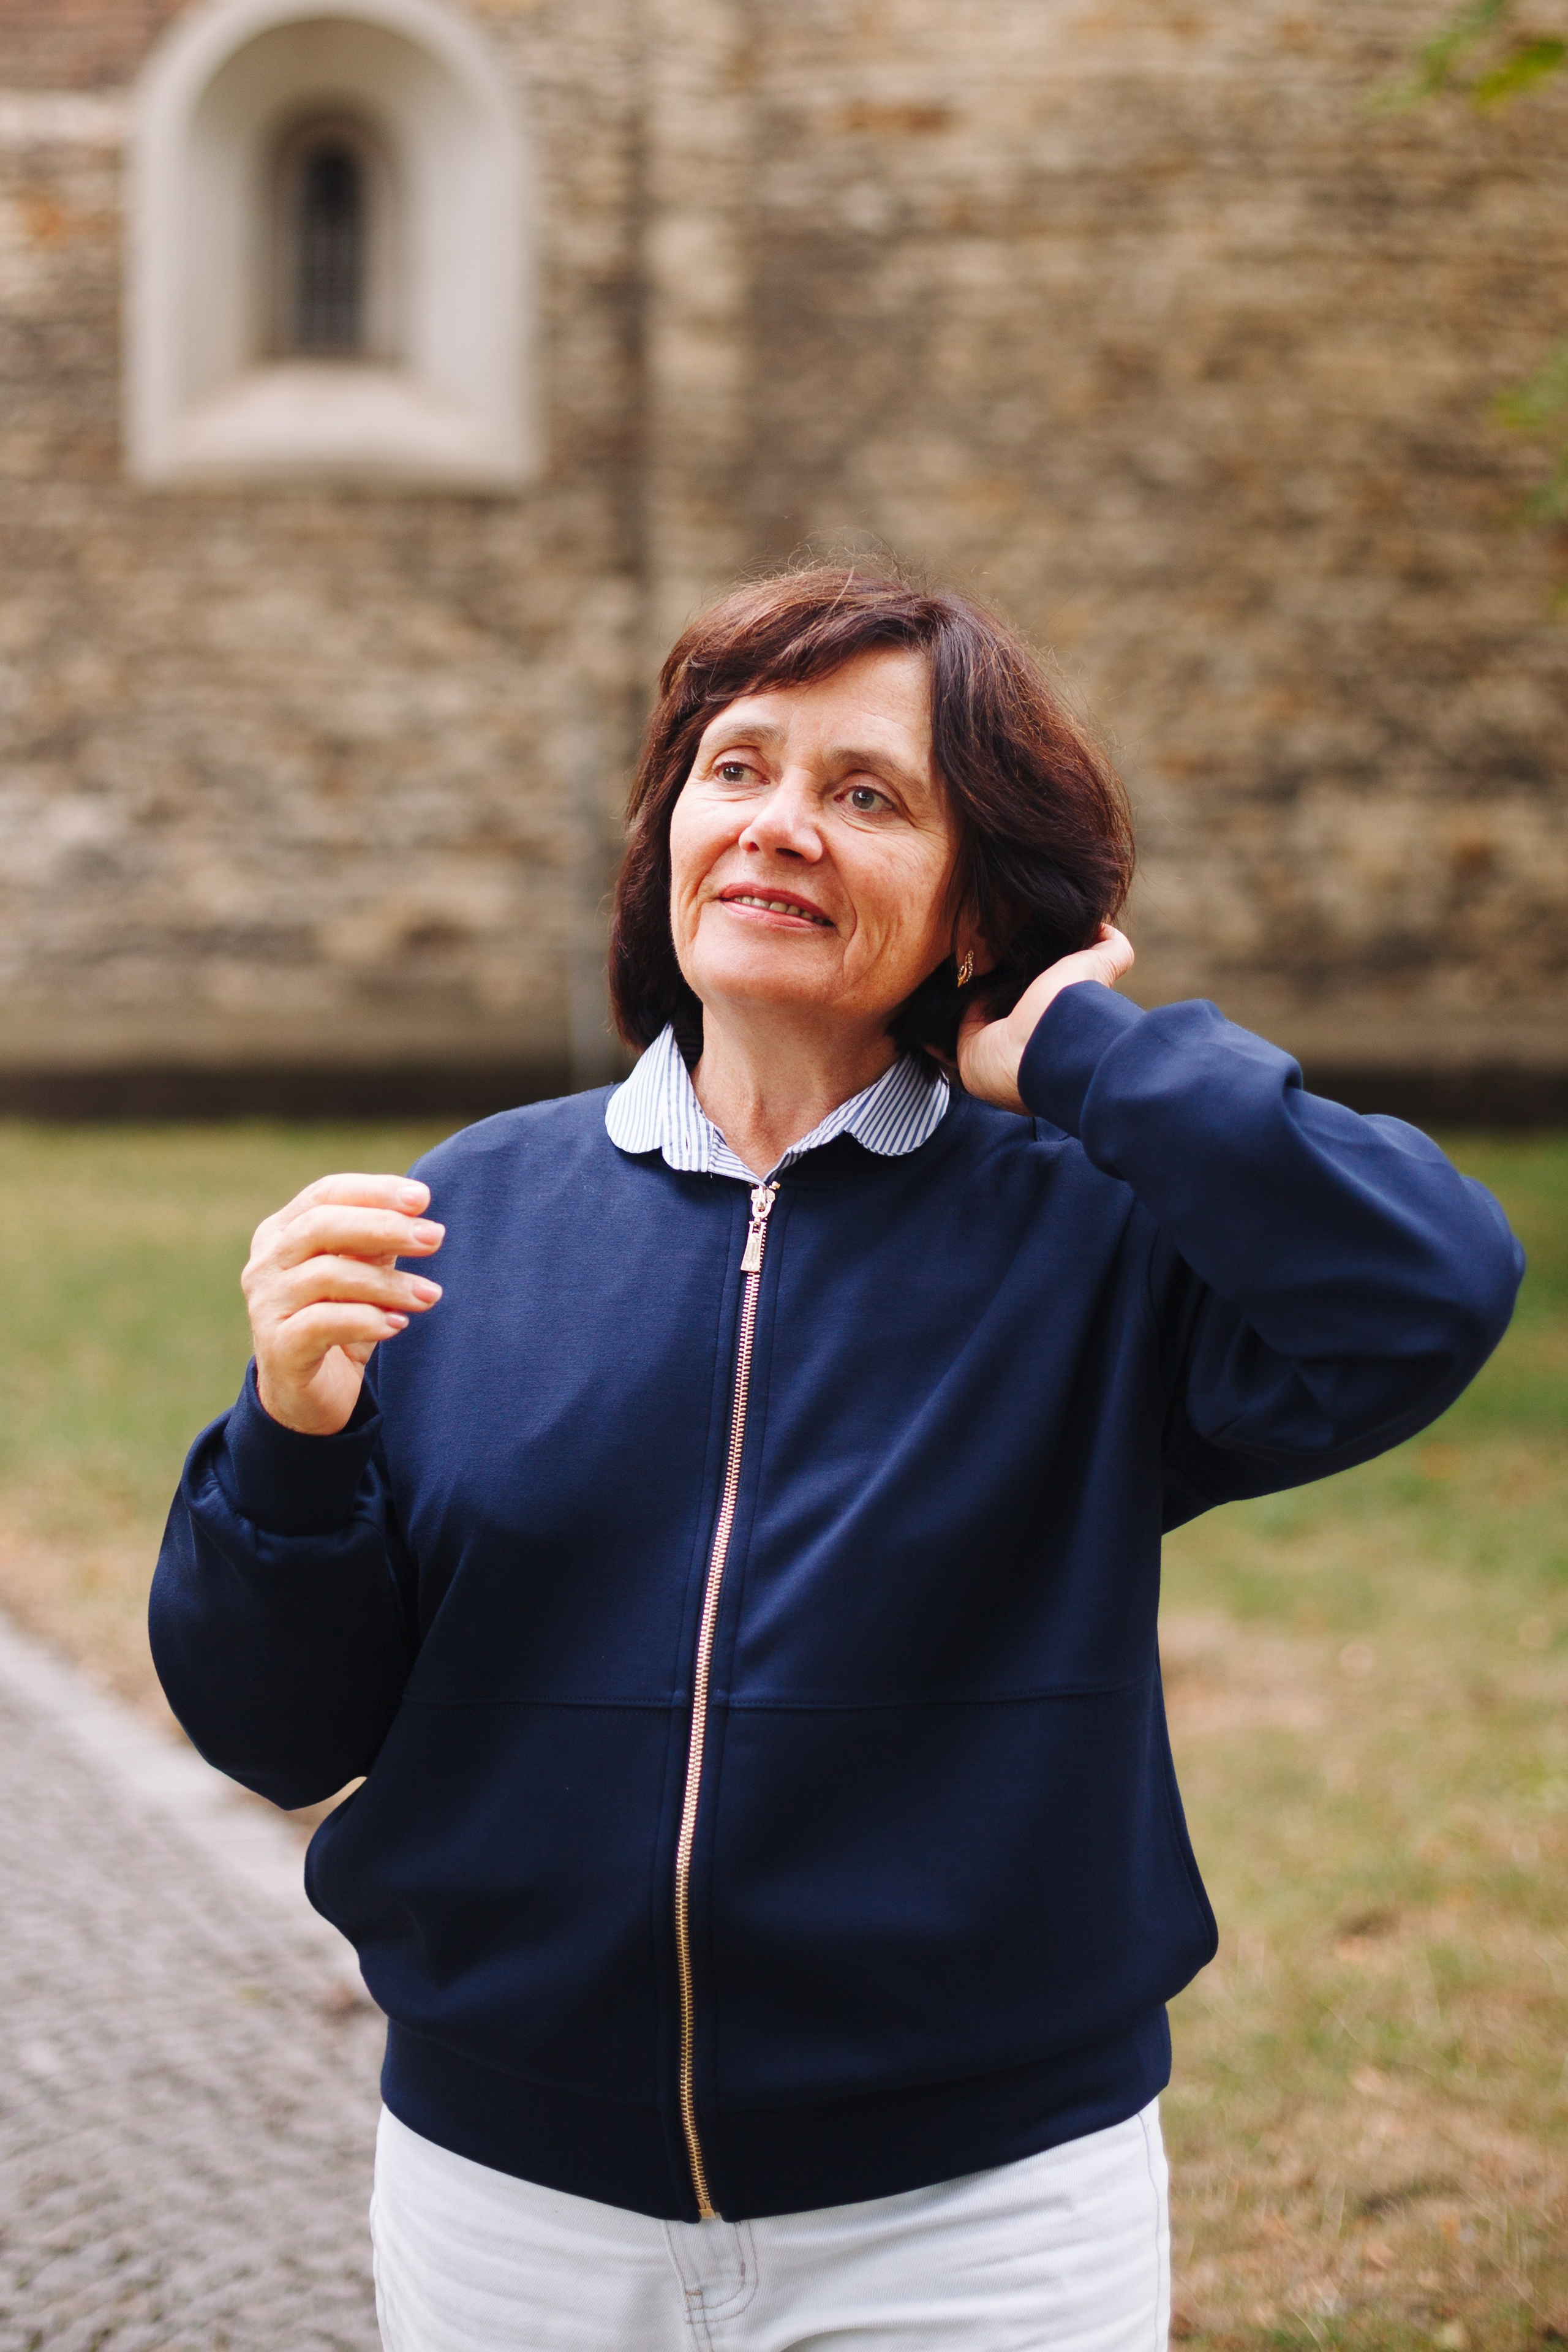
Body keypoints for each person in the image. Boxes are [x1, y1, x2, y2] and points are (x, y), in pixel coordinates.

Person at [151, 566, 1523, 2351]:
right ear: (669, 837)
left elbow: (1427, 1284)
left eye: (867, 796)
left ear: (974, 912)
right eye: (738, 770)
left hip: (970, 2224)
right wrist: (293, 1437)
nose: (778, 827)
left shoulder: (1094, 1234)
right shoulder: (457, 1214)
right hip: (511, 2209)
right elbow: (276, 1733)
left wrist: (1096, 1057)